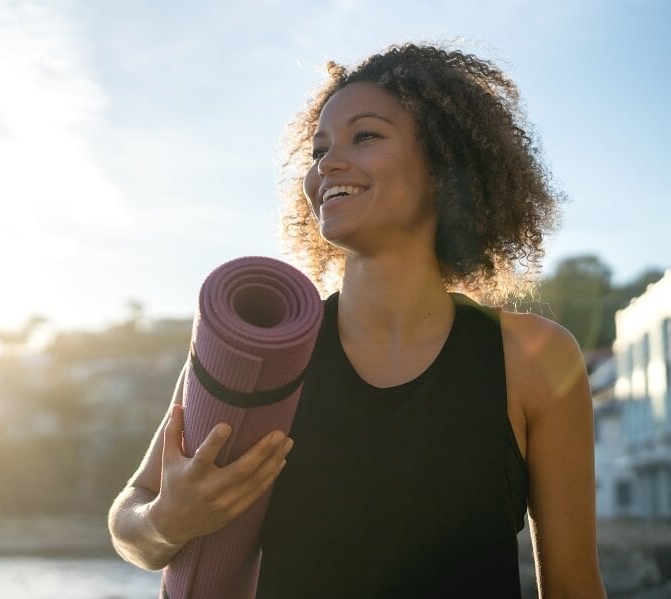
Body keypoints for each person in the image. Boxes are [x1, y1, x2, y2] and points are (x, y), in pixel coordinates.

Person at [109, 43, 607, 597]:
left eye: (365, 136)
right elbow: (131, 518)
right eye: (319, 149)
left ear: (447, 165)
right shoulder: (265, 346)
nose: (328, 163)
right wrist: (166, 522)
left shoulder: (534, 357)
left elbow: (572, 586)